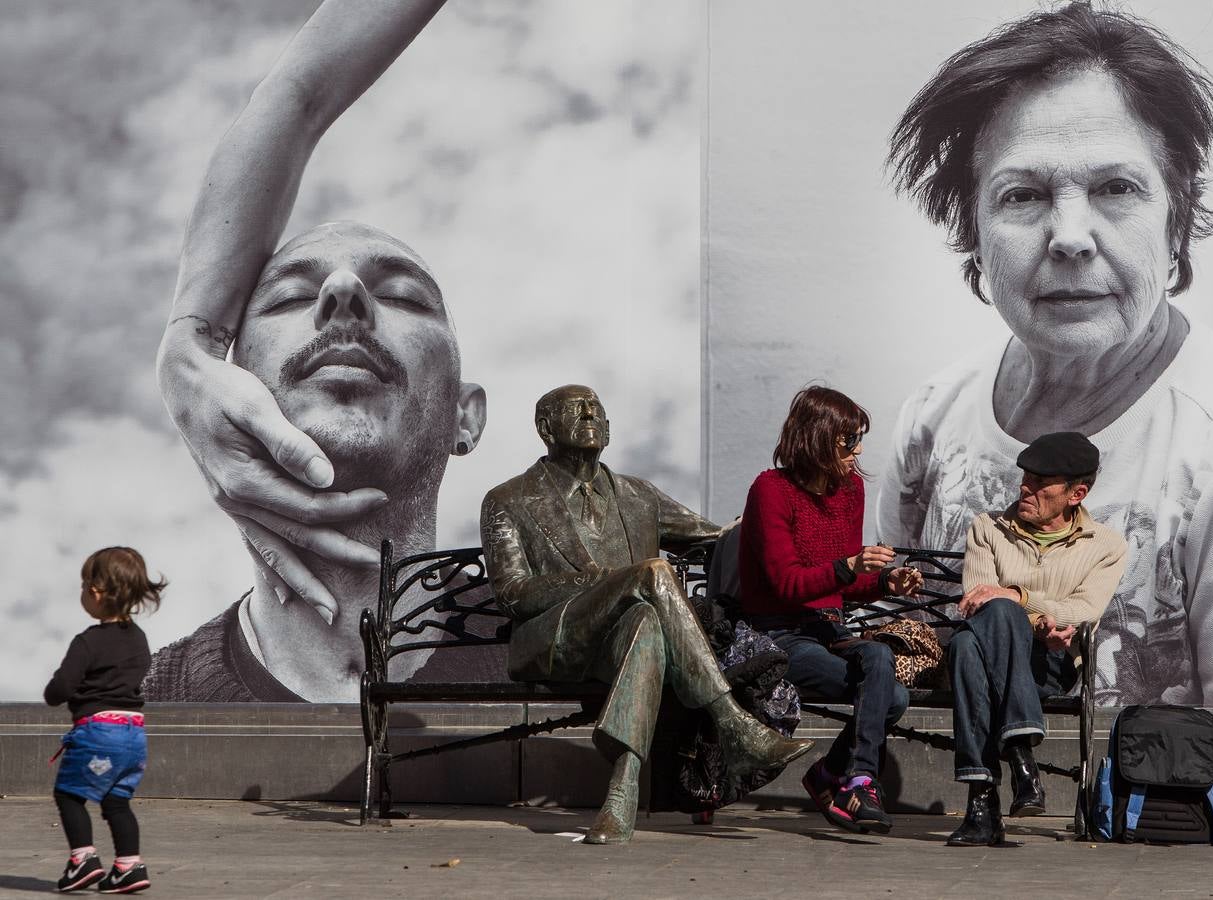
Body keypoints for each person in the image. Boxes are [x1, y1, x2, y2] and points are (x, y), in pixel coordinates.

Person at [878, 1, 1213, 707]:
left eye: (1116, 188)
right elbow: (895, 657)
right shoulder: (932, 417)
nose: (1070, 235)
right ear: (971, 227)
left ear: (1176, 213)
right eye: (1024, 194)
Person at [144, 0, 496, 701]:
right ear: (228, 390)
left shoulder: (583, 669)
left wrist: (194, 331)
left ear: (467, 416)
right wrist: (192, 334)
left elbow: (301, 94)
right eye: (284, 299)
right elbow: (295, 96)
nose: (342, 291)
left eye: (402, 294)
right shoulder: (152, 709)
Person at [480, 385, 813, 844]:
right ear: (544, 428)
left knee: (647, 624)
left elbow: (716, 535)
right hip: (557, 637)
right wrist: (599, 582)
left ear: (610, 429)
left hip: (623, 638)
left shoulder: (640, 496)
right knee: (653, 574)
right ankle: (733, 723)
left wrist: (787, 518)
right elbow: (513, 594)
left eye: (596, 407)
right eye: (575, 409)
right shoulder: (508, 500)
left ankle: (623, 789)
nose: (589, 413)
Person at [738, 386, 923, 835]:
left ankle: (853, 779)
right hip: (776, 634)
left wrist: (883, 581)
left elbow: (845, 582)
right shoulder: (771, 490)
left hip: (828, 630)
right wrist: (849, 567)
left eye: (859, 438)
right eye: (849, 440)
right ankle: (841, 780)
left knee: (882, 669)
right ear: (819, 439)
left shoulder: (850, 490)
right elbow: (788, 582)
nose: (857, 450)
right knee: (890, 696)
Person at [944, 432, 1128, 847]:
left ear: (1076, 493)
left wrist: (1022, 598)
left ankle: (982, 806)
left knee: (974, 640)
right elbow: (979, 602)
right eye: (1025, 477)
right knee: (973, 639)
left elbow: (1086, 610)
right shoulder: (988, 528)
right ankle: (1022, 756)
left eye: (1041, 483)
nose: (1026, 488)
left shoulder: (1106, 545)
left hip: (1050, 663)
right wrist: (1028, 609)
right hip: (994, 651)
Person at [45, 547, 165, 894]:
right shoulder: (139, 639)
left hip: (97, 732)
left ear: (96, 592)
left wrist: (56, 691)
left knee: (68, 795)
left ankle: (82, 860)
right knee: (117, 801)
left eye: (84, 585)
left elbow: (62, 687)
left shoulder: (89, 641)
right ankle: (129, 866)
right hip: (134, 733)